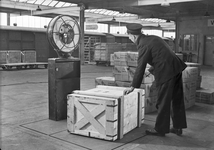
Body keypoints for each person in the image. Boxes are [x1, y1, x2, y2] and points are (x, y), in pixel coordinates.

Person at [124, 23, 187, 136]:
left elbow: (140, 66)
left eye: (129, 37)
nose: (130, 39)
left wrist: (133, 86)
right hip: (176, 67)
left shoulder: (143, 45)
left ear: (133, 36)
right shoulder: (153, 38)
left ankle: (160, 129)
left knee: (162, 101)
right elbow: (162, 54)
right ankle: (178, 127)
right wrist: (152, 69)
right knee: (177, 99)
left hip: (166, 72)